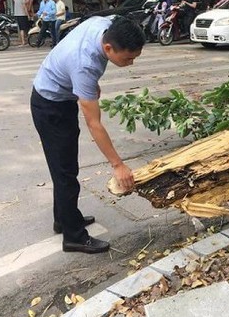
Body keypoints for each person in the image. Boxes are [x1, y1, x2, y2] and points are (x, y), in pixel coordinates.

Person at [30, 15, 145, 253]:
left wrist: (86, 86)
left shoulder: (107, 24)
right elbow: (95, 124)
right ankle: (73, 236)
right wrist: (118, 165)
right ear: (108, 48)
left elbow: (119, 16)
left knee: (65, 167)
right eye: (128, 59)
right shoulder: (85, 65)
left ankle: (64, 219)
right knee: (65, 172)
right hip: (50, 105)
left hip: (61, 95)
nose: (131, 63)